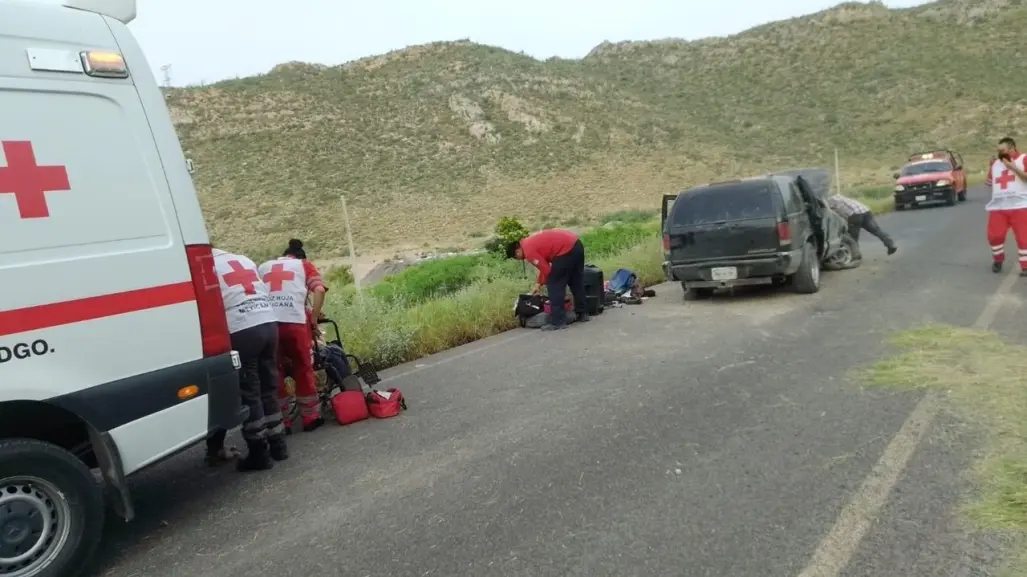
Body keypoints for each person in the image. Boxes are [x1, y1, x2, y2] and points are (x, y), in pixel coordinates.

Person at [208, 248, 289, 470]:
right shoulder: (241, 259)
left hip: (242, 328)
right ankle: (279, 446)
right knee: (268, 387)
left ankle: (259, 453)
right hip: (268, 322)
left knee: (250, 391)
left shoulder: (207, 265)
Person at [260, 239, 328, 432]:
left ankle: (282, 422)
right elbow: (319, 290)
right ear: (300, 256)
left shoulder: (264, 267)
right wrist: (314, 318)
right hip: (294, 323)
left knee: (274, 371)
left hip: (268, 323)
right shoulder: (303, 265)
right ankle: (310, 418)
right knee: (303, 367)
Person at [505, 229, 589, 331]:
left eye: (515, 257)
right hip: (576, 245)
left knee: (554, 285)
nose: (519, 259)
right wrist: (538, 284)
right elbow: (544, 267)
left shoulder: (528, 251)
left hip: (564, 251)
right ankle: (583, 313)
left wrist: (544, 284)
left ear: (517, 251)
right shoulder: (529, 241)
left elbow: (547, 271)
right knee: (576, 281)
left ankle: (558, 322)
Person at [984, 137, 1027, 275]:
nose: (1000, 153)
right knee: (994, 236)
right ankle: (998, 259)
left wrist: (1013, 168)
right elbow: (989, 183)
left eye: (1002, 150)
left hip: (1020, 205)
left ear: (1012, 148)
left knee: (1023, 237)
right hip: (999, 207)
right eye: (998, 151)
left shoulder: (1023, 159)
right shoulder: (995, 163)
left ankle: (1025, 265)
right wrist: (991, 166)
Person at [826, 194, 898, 259]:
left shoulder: (830, 200)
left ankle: (856, 255)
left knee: (853, 237)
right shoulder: (839, 196)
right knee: (876, 230)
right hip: (865, 211)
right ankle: (890, 244)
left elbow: (836, 211)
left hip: (855, 214)